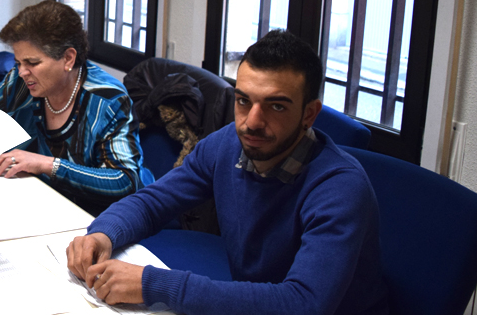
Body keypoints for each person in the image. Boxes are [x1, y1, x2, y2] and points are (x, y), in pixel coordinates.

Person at [66, 29, 388, 315]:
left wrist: (154, 284)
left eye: (276, 106)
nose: (252, 122)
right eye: (244, 101)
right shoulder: (226, 144)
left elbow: (303, 303)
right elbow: (153, 202)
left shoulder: (340, 189)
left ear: (309, 114)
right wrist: (103, 233)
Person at [0, 0, 154, 216]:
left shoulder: (107, 100)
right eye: (18, 62)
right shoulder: (22, 81)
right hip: (46, 203)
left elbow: (125, 181)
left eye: (32, 63)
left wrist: (48, 165)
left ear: (68, 58)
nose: (22, 71)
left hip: (102, 217)